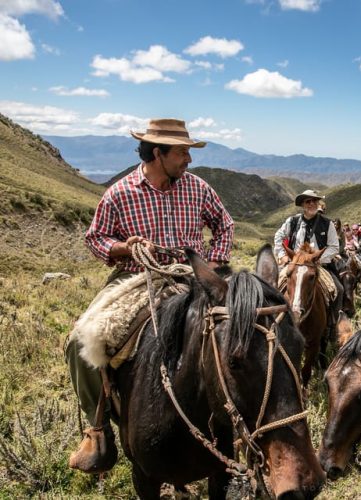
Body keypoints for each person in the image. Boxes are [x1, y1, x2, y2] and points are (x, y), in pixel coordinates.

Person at [65, 118, 234, 472]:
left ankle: (245, 425)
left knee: (243, 328)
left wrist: (215, 262)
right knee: (79, 343)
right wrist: (124, 248)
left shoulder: (198, 189)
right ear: (158, 153)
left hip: (191, 276)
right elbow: (95, 238)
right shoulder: (121, 192)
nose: (188, 159)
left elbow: (224, 225)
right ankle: (99, 432)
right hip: (135, 278)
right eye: (182, 152)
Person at [274, 190, 344, 321]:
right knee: (273, 286)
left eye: (314, 201)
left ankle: (332, 324)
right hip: (295, 263)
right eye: (308, 201)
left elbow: (334, 246)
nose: (312, 204)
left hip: (317, 264)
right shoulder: (292, 221)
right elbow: (279, 236)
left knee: (338, 289)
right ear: (302, 205)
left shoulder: (327, 224)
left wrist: (317, 259)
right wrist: (282, 254)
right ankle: (273, 320)